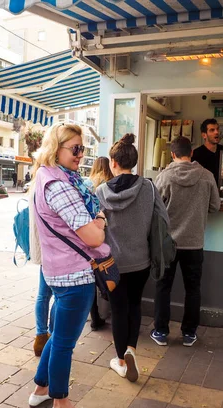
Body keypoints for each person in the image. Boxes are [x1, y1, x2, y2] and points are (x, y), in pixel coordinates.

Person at [29, 123, 109, 408]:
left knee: (58, 336)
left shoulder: (47, 178)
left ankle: (41, 387)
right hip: (75, 275)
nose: (80, 154)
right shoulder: (60, 185)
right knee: (64, 342)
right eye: (74, 148)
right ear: (56, 149)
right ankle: (61, 405)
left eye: (82, 149)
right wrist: (100, 218)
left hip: (58, 271)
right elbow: (92, 237)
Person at [96, 134, 169, 382]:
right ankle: (131, 350)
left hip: (112, 264)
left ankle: (119, 361)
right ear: (134, 162)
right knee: (135, 305)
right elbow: (163, 220)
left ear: (113, 163)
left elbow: (95, 229)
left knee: (118, 310)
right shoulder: (148, 187)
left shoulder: (100, 192)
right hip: (141, 261)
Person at [151, 136, 220, 347]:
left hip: (168, 243)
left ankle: (161, 332)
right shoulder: (207, 176)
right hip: (194, 243)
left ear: (172, 154)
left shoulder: (163, 178)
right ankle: (189, 333)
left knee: (163, 287)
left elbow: (154, 208)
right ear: (191, 153)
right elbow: (215, 206)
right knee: (193, 289)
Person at [30, 158, 55, 357]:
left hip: (43, 247)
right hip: (55, 249)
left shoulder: (35, 184)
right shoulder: (51, 184)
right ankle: (52, 336)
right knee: (61, 296)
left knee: (43, 294)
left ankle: (40, 336)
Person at [85, 156, 114, 330]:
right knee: (108, 275)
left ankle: (95, 318)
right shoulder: (110, 184)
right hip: (107, 237)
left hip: (89, 235)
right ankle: (109, 311)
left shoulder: (88, 184)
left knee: (92, 277)